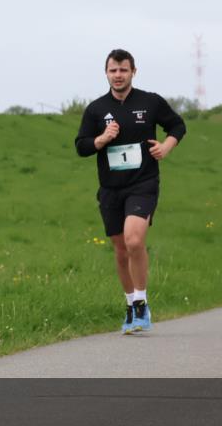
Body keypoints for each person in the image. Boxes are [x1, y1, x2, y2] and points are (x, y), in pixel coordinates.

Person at [75, 49, 186, 335]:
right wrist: (101, 139)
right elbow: (81, 146)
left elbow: (177, 125)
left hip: (143, 183)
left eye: (123, 70)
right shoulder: (96, 109)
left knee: (134, 240)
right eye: (113, 70)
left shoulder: (150, 102)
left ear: (133, 72)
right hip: (111, 188)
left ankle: (141, 302)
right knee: (121, 249)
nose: (118, 75)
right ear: (106, 73)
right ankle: (129, 305)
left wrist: (166, 147)